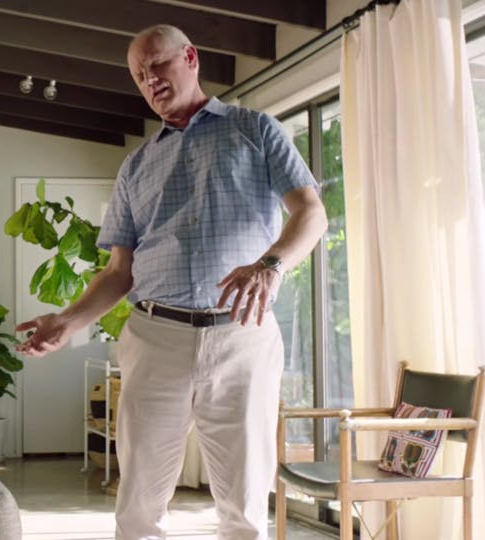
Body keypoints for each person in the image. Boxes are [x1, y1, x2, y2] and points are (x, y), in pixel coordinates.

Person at [16, 25, 328, 540]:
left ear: (191, 57)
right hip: (155, 337)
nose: (150, 81)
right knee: (137, 502)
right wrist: (67, 321)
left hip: (241, 335)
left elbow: (311, 214)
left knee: (245, 505)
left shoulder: (256, 130)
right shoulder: (136, 165)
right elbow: (120, 272)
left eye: (158, 66)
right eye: (140, 76)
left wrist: (270, 264)